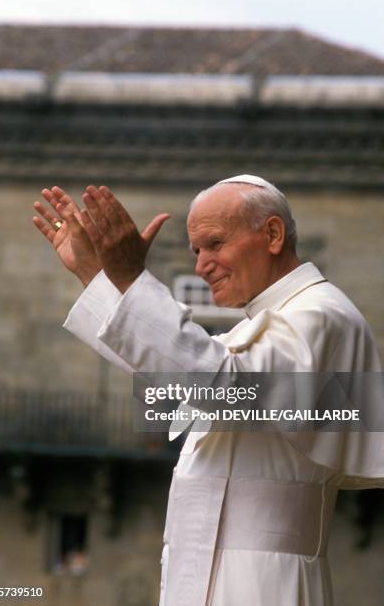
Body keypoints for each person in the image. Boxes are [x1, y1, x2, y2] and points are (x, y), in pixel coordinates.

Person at [33, 175, 384, 606]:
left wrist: (131, 278)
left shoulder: (319, 314)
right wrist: (98, 275)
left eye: (214, 243)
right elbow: (171, 371)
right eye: (196, 251)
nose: (201, 266)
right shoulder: (270, 321)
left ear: (272, 235)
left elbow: (221, 386)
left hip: (264, 584)